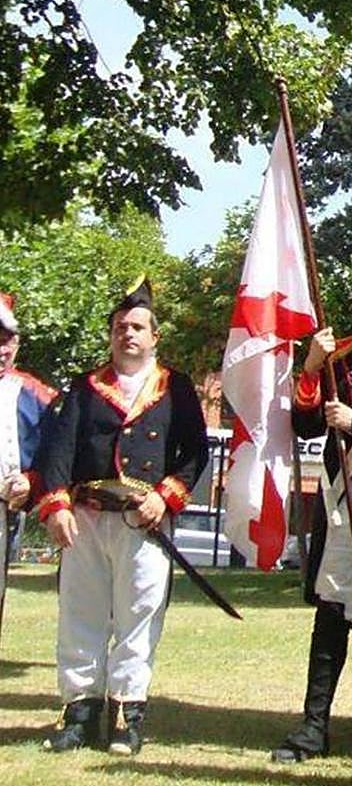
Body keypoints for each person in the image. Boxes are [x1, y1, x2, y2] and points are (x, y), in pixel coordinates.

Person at [35, 278, 209, 756]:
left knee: (139, 614)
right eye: (119, 327)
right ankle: (79, 712)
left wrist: (166, 497)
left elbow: (195, 453)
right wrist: (56, 506)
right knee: (81, 613)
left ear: (154, 336)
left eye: (136, 327)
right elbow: (58, 450)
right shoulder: (85, 387)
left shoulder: (175, 388)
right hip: (88, 518)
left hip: (143, 521)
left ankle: (127, 714)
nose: (127, 334)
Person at [270, 251, 352, 764]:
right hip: (345, 493)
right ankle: (313, 726)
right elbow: (305, 424)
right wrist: (310, 367)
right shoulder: (336, 356)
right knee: (333, 609)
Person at [0, 293, 57, 564]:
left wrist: (30, 482)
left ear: (17, 344)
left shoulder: (35, 395)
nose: (1, 350)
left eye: (5, 341)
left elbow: (54, 454)